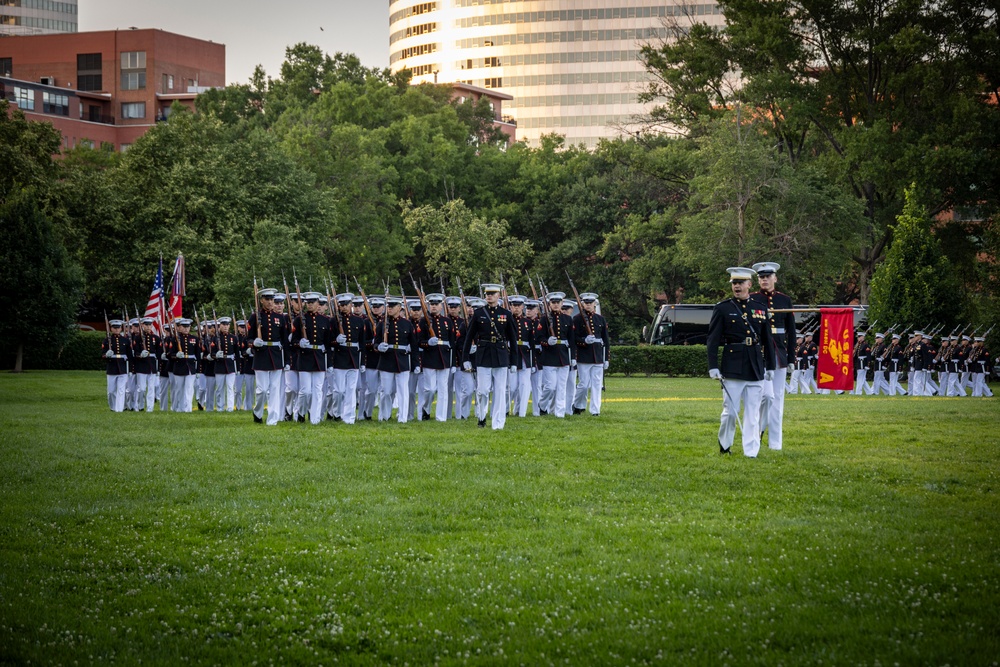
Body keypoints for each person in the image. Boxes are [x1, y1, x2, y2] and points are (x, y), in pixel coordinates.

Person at [706, 267, 776, 457]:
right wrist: (713, 366)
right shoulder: (723, 308)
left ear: (749, 285)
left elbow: (768, 341)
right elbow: (712, 340)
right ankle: (725, 445)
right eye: (734, 283)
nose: (736, 286)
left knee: (753, 413)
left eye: (740, 283)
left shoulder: (760, 308)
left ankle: (751, 451)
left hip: (755, 366)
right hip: (733, 366)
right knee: (730, 411)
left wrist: (770, 366)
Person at [749, 262, 795, 449]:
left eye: (768, 276)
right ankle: (758, 431)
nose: (764, 280)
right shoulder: (751, 299)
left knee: (778, 400)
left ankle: (775, 443)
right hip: (760, 352)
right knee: (766, 397)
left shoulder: (785, 300)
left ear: (775, 278)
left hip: (779, 353)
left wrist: (791, 358)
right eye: (761, 277)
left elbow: (791, 332)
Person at [462, 284, 517, 429]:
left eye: (492, 294)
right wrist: (465, 358)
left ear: (498, 296)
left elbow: (513, 339)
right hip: (483, 354)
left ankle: (498, 423)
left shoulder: (506, 314)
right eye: (487, 294)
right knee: (483, 390)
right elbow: (469, 337)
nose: (489, 296)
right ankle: (481, 416)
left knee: (500, 391)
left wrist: (514, 361)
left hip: (501, 355)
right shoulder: (479, 313)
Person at [248, 288, 289, 425]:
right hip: (261, 355)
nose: (271, 302)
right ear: (261, 300)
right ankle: (257, 411)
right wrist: (254, 343)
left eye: (272, 299)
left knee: (275, 389)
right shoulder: (255, 316)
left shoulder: (280, 318)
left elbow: (285, 341)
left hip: (276, 355)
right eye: (267, 299)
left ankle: (273, 419)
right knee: (262, 390)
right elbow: (248, 339)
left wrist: (287, 360)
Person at [330, 292, 368, 424]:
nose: (344, 307)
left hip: (354, 357)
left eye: (346, 305)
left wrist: (362, 361)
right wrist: (336, 341)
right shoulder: (333, 320)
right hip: (340, 357)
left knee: (351, 390)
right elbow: (329, 341)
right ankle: (337, 413)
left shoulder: (358, 320)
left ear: (351, 305)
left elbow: (362, 343)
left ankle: (349, 417)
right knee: (339, 390)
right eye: (342, 305)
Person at [416, 293, 456, 422]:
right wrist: (427, 343)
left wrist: (453, 362)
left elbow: (452, 342)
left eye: (436, 304)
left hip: (444, 358)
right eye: (431, 304)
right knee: (430, 389)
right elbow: (419, 341)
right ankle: (426, 409)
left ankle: (441, 417)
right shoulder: (423, 321)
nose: (433, 306)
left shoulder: (447, 321)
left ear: (441, 306)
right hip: (430, 357)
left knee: (443, 389)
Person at [537, 291, 576, 418]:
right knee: (550, 387)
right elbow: (539, 337)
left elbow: (571, 340)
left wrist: (573, 357)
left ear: (562, 303)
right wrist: (546, 341)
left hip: (563, 357)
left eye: (557, 302)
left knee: (561, 387)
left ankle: (559, 412)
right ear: (549, 304)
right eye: (553, 302)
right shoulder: (544, 319)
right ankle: (542, 405)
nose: (555, 305)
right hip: (549, 357)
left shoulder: (567, 319)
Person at [375, 295, 414, 422]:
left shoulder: (407, 324)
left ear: (399, 308)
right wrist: (379, 346)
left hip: (402, 360)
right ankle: (384, 415)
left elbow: (413, 344)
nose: (389, 309)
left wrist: (416, 363)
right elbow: (375, 343)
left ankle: (403, 417)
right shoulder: (382, 323)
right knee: (386, 391)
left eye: (392, 307)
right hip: (387, 359)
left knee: (403, 391)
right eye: (388, 306)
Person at [572, 292, 610, 416]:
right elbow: (574, 338)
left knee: (597, 385)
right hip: (584, 356)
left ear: (594, 304)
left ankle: (595, 410)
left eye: (590, 303)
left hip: (598, 356)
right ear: (582, 304)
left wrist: (606, 358)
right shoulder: (577, 319)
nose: (588, 305)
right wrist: (584, 340)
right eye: (586, 303)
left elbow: (606, 340)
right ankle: (578, 405)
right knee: (583, 385)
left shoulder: (600, 319)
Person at [508, 295, 536, 418]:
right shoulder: (507, 320)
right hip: (511, 356)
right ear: (511, 306)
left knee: (525, 387)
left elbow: (532, 343)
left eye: (519, 306)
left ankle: (522, 412)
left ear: (522, 307)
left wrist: (533, 362)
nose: (516, 308)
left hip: (525, 356)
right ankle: (505, 410)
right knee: (512, 387)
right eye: (514, 306)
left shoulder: (527, 322)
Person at [169, 318, 201, 412]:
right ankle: (180, 408)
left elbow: (198, 356)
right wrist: (176, 355)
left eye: (188, 327)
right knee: (179, 389)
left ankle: (188, 408)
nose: (186, 329)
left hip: (190, 367)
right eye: (184, 327)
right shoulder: (175, 339)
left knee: (189, 389)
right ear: (179, 327)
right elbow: (170, 354)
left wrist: (198, 370)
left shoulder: (194, 339)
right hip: (179, 367)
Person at [101, 318, 132, 412]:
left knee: (121, 390)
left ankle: (119, 409)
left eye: (118, 328)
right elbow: (102, 355)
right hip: (112, 367)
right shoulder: (107, 340)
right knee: (111, 391)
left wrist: (130, 369)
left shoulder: (125, 340)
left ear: (121, 328)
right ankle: (113, 407)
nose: (116, 329)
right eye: (114, 328)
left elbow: (130, 356)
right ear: (111, 329)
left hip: (122, 367)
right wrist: (107, 355)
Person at [131, 317, 161, 412]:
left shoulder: (155, 338)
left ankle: (150, 408)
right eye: (146, 325)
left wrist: (158, 367)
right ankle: (140, 405)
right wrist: (140, 355)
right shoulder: (138, 338)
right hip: (141, 365)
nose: (148, 327)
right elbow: (135, 353)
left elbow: (159, 354)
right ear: (142, 325)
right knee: (142, 388)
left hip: (151, 365)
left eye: (150, 325)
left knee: (151, 388)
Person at [210, 316, 238, 412]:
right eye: (223, 325)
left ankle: (230, 407)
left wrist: (237, 368)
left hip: (230, 365)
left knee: (230, 388)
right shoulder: (215, 338)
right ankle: (220, 407)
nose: (225, 327)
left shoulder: (233, 338)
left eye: (227, 325)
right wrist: (216, 355)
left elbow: (237, 354)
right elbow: (212, 353)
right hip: (220, 365)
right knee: (220, 388)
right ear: (220, 326)